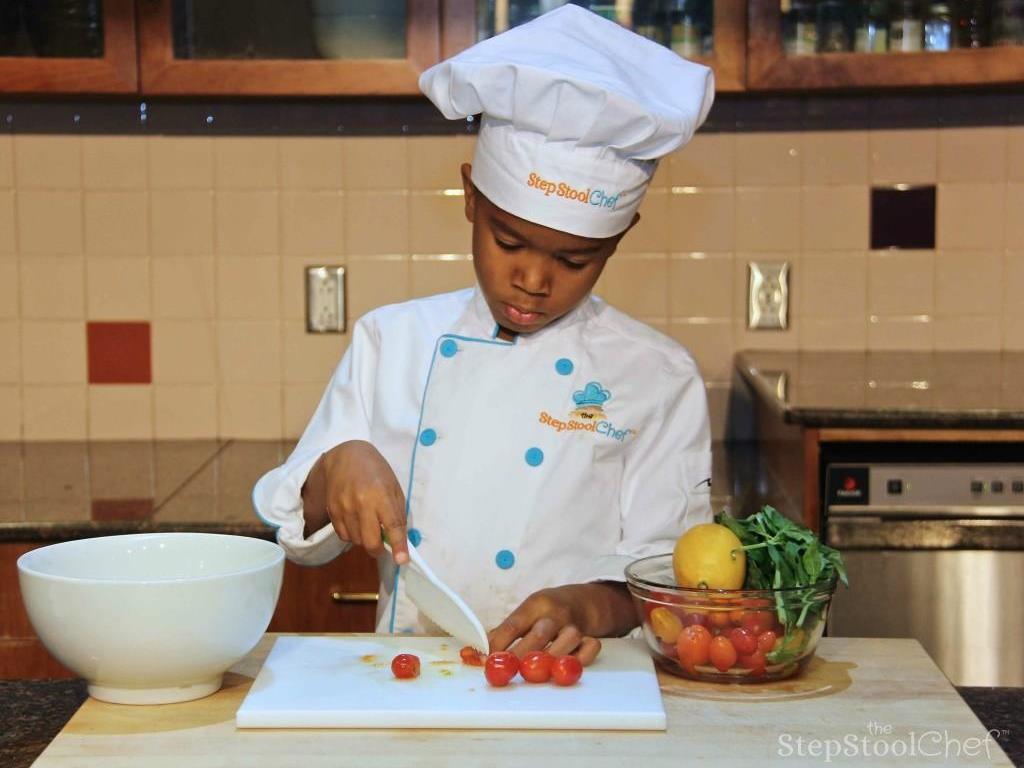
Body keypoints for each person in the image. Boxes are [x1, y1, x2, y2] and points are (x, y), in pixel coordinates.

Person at [254, 4, 715, 665]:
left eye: (574, 260)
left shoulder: (658, 377)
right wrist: (335, 469)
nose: (533, 279)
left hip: (577, 688)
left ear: (620, 239)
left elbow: (670, 579)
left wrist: (585, 605)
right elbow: (302, 532)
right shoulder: (392, 342)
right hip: (411, 683)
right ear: (471, 198)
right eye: (508, 241)